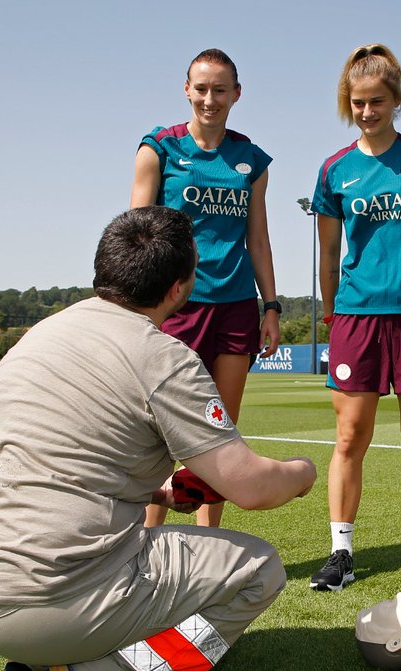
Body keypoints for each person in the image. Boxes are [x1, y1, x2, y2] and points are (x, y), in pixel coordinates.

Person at [0, 206, 316, 671]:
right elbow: (252, 488)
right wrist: (302, 472)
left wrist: (158, 493)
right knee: (259, 570)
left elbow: (54, 467)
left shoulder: (40, 334)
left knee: (107, 561)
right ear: (181, 287)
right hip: (46, 601)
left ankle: (42, 661)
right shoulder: (161, 356)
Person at [308, 44, 401, 595]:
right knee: (351, 435)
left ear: (397, 100)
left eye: (377, 101)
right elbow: (328, 254)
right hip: (356, 316)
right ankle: (341, 553)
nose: (367, 111)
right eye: (358, 103)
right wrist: (331, 309)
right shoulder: (335, 170)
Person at [130, 47, 281, 529]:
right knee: (157, 428)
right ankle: (147, 540)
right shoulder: (159, 147)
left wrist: (271, 306)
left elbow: (258, 239)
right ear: (186, 89)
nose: (209, 99)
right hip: (174, 305)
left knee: (221, 430)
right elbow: (135, 231)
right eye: (201, 88)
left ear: (237, 94)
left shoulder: (250, 158)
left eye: (220, 90)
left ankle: (208, 543)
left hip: (236, 306)